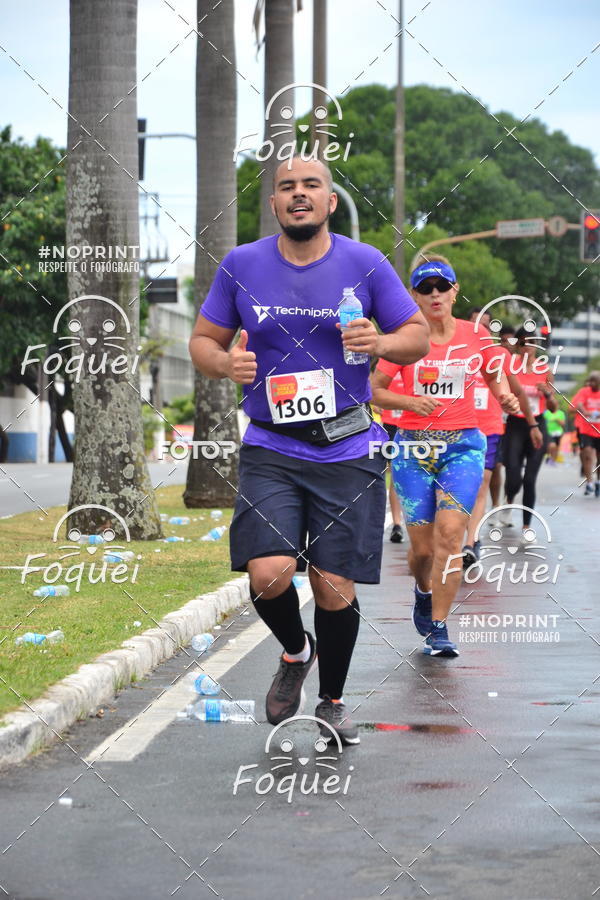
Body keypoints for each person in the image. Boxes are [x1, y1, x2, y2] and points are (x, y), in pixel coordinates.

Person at [189, 155, 428, 744]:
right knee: (269, 574)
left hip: (348, 447)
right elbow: (202, 340)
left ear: (328, 201)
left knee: (331, 585)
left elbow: (417, 336)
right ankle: (296, 652)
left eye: (311, 186)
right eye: (286, 187)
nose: (298, 194)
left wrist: (384, 340)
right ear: (274, 204)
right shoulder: (242, 265)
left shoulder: (365, 263)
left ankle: (333, 702)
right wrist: (224, 361)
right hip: (272, 442)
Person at [371, 256, 519, 657]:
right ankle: (422, 591)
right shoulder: (406, 340)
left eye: (442, 286)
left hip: (463, 447)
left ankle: (438, 626)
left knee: (450, 539)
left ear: (455, 290)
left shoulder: (477, 336)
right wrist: (408, 402)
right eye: (425, 288)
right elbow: (375, 390)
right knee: (421, 551)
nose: (434, 294)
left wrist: (503, 393)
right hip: (414, 448)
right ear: (414, 296)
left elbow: (494, 375)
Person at [462, 320, 542, 566]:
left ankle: (471, 542)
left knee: (482, 482)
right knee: (459, 487)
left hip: (490, 429)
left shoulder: (498, 357)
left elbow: (518, 392)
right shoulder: (459, 354)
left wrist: (532, 424)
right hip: (459, 427)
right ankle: (456, 536)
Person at [503, 326, 557, 535]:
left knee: (530, 479)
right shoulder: (510, 366)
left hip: (538, 424)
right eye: (523, 343)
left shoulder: (545, 371)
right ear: (517, 344)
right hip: (515, 424)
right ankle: (508, 498)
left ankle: (526, 525)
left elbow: (553, 409)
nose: (527, 348)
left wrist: (548, 395)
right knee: (514, 475)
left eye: (532, 343)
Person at [374, 370, 406, 543]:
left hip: (414, 425)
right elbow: (371, 384)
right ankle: (396, 524)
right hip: (391, 424)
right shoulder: (386, 361)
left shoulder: (419, 358)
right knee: (394, 473)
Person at [571, 371, 600, 496]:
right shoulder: (584, 391)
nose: (592, 383)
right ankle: (589, 483)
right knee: (587, 454)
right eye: (591, 380)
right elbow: (579, 404)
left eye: (595, 381)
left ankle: (598, 482)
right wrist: (586, 412)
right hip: (585, 429)